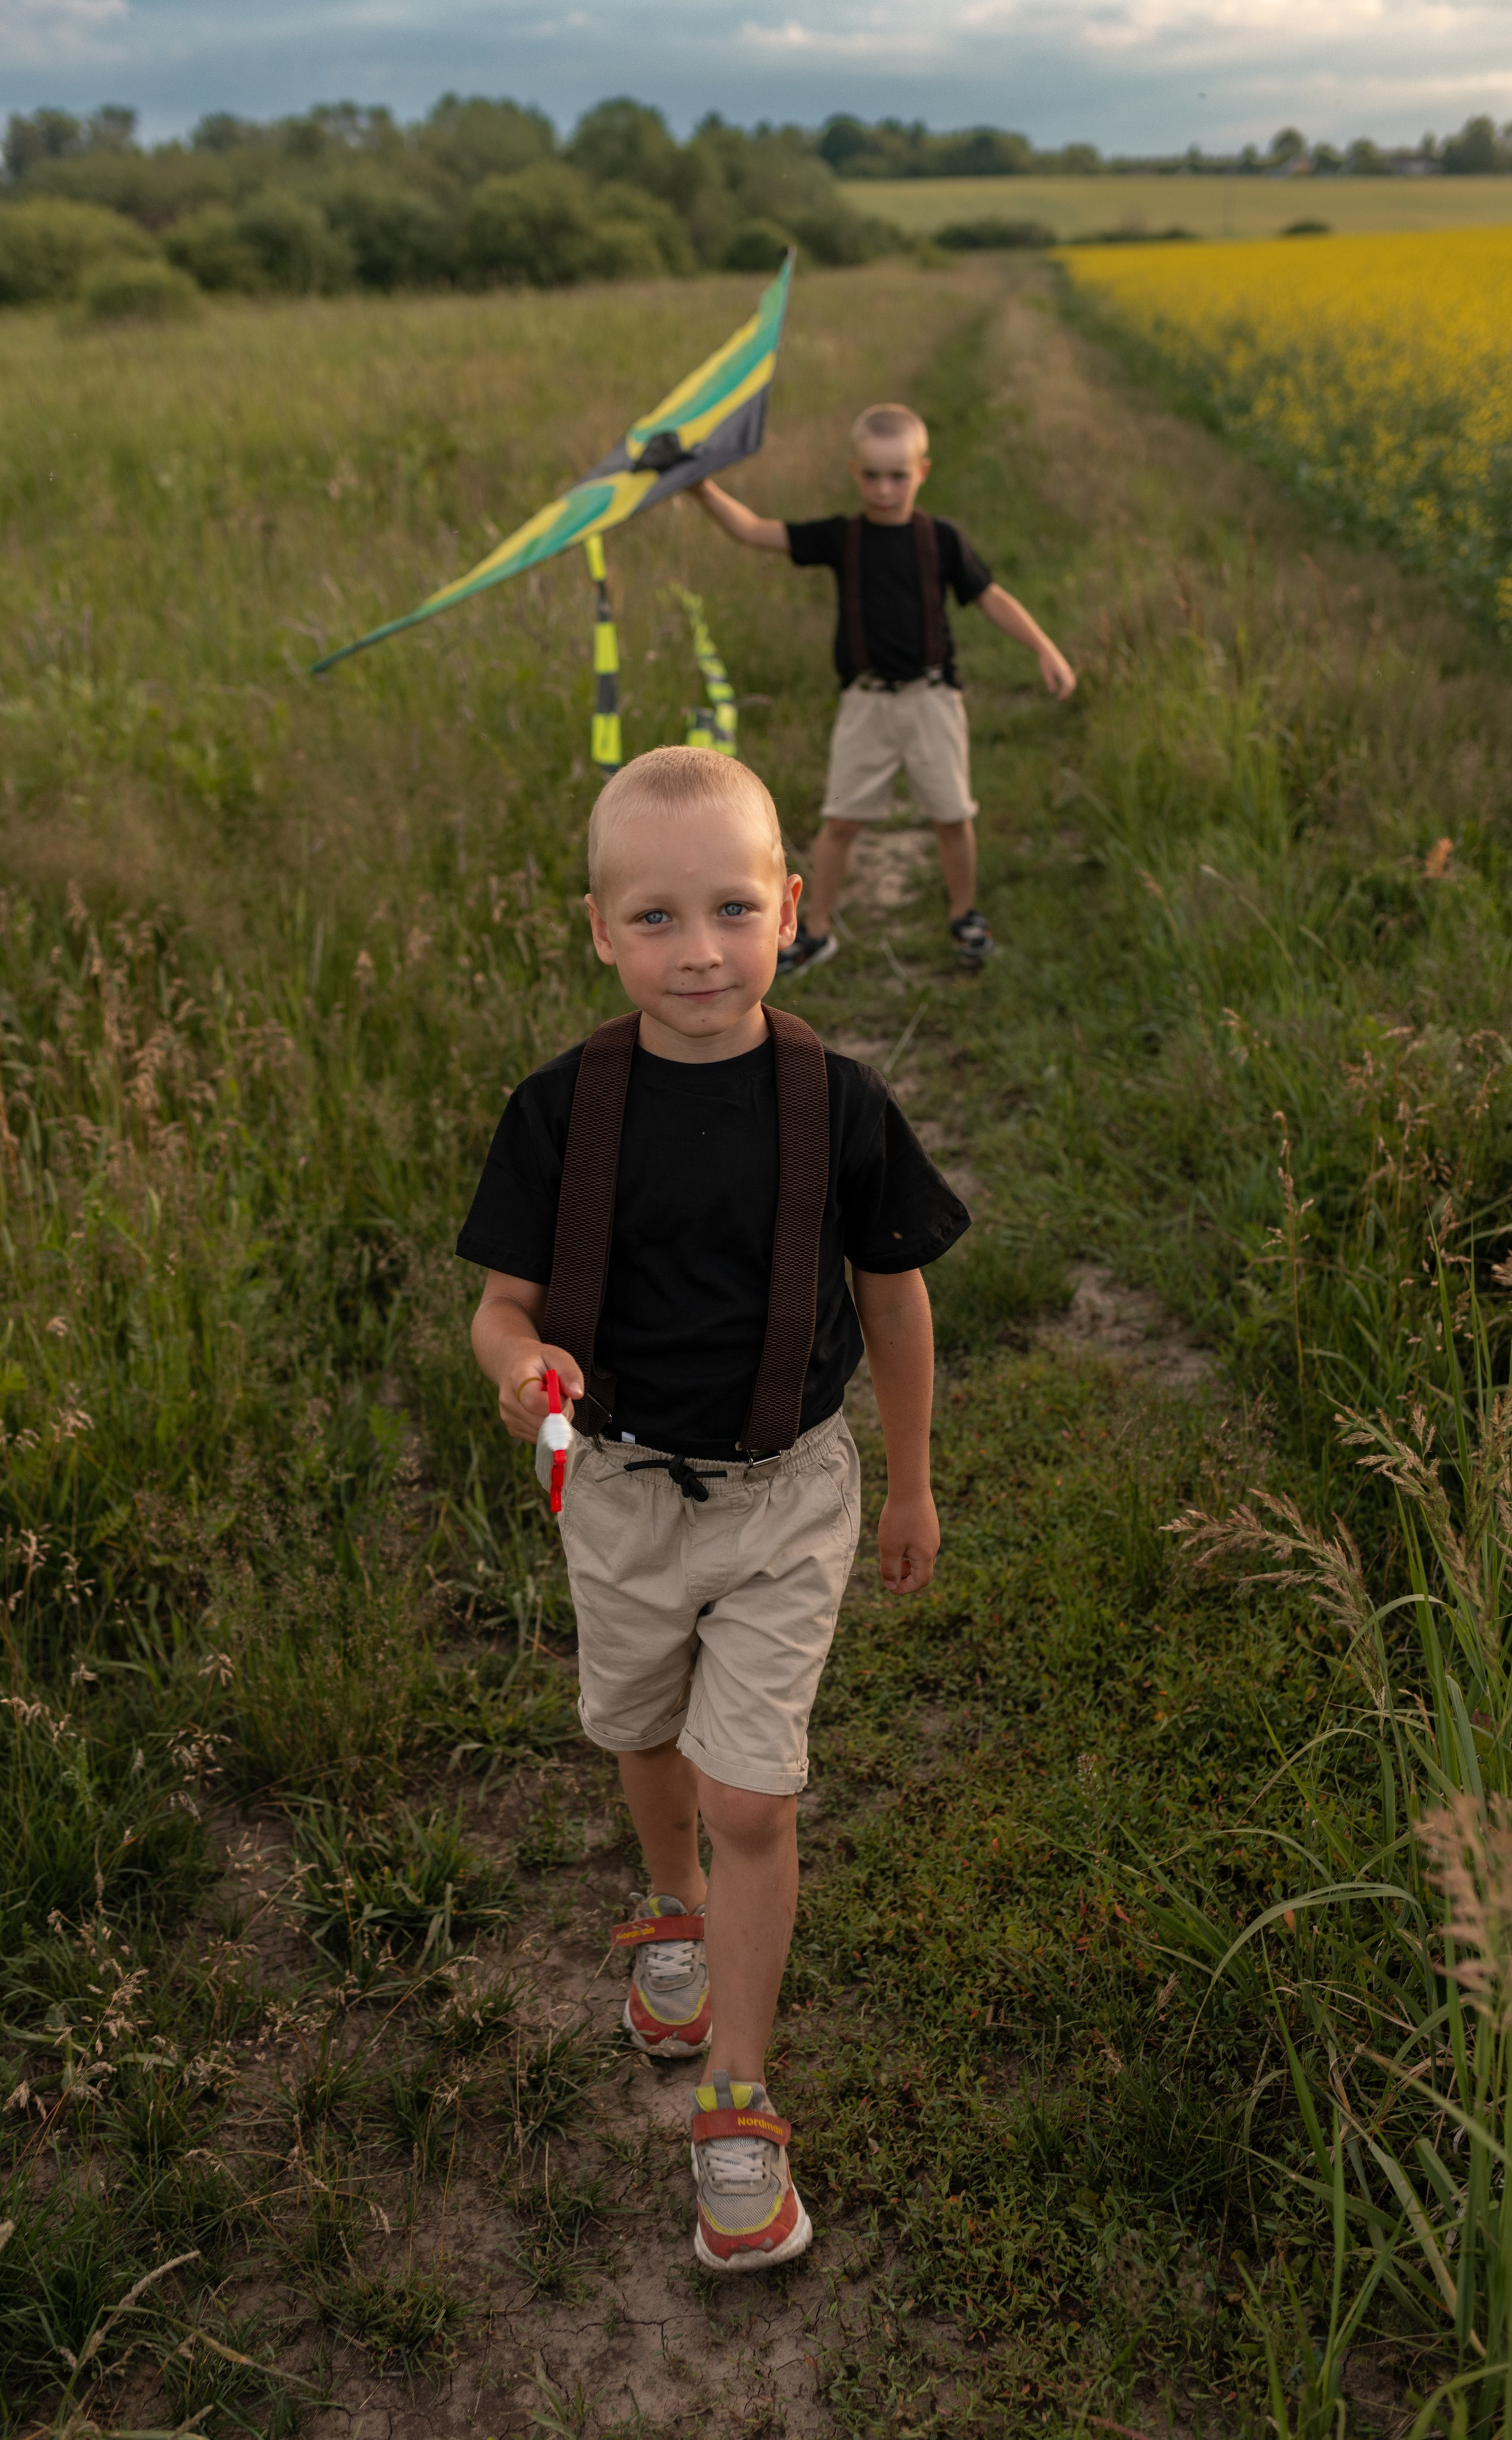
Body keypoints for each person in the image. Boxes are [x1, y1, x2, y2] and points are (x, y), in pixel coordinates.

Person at [457, 746, 968, 2274]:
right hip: (609, 1484)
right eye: (659, 918)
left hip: (783, 1494)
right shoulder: (561, 1111)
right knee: (636, 1718)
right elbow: (500, 1307)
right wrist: (517, 1361)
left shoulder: (838, 1104)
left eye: (733, 909)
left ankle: (736, 2102)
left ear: (789, 908)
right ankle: (667, 1901)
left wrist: (911, 1476)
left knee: (752, 1789)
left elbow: (894, 1300)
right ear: (598, 929)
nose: (699, 951)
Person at [692, 400, 1077, 976]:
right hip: (865, 704)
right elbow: (751, 530)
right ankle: (815, 932)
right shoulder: (839, 538)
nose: (884, 489)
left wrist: (1045, 648)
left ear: (922, 472)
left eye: (898, 476)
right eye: (872, 475)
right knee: (841, 821)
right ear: (855, 472)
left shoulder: (942, 539)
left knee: (951, 816)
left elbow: (990, 596)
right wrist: (697, 487)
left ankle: (964, 915)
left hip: (932, 701)